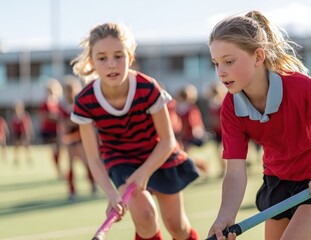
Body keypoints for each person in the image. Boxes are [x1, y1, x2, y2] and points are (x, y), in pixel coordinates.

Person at [207, 11, 311, 240]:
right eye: (216, 63)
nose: (220, 71)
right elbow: (235, 171)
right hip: (279, 178)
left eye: (229, 61)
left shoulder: (300, 88)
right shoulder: (230, 107)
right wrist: (225, 215)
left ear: (258, 57)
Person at [70, 22, 199, 240]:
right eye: (102, 58)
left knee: (178, 228)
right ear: (92, 62)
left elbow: (167, 141)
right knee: (146, 217)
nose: (111, 64)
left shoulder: (147, 88)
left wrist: (144, 173)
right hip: (122, 161)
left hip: (159, 155)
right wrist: (111, 194)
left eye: (118, 56)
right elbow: (93, 158)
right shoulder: (85, 101)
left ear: (130, 58)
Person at [59, 75, 97, 200]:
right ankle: (71, 190)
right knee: (70, 165)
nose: (68, 93)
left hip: (81, 138)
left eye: (70, 90)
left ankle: (92, 183)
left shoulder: (79, 102)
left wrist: (73, 123)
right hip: (70, 139)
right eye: (66, 90)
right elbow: (62, 123)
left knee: (87, 163)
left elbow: (84, 122)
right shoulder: (62, 106)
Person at [39, 78, 63, 178]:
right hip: (49, 130)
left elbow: (63, 115)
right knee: (54, 149)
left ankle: (59, 169)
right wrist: (55, 118)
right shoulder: (45, 103)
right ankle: (58, 170)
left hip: (59, 130)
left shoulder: (57, 102)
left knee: (59, 150)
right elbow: (44, 117)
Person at [11, 101, 34, 166]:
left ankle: (28, 158)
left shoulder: (24, 115)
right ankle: (16, 159)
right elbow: (13, 125)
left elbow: (28, 124)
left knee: (26, 146)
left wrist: (29, 132)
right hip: (17, 133)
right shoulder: (15, 116)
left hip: (24, 133)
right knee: (16, 147)